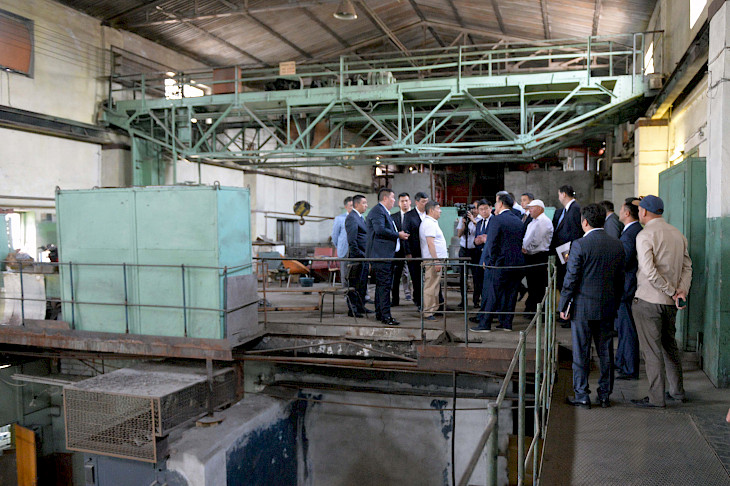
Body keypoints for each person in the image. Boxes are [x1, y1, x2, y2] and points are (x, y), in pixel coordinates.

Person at [560, 203, 625, 409]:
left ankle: (582, 395)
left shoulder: (579, 245)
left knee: (581, 352)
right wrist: (615, 303)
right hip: (607, 307)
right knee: (606, 352)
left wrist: (563, 305)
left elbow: (571, 279)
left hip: (582, 308)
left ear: (585, 222)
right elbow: (620, 280)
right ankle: (604, 396)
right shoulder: (617, 244)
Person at [631, 195, 692, 409]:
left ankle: (656, 398)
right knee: (669, 347)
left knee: (652, 351)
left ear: (645, 212)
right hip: (670, 303)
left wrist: (671, 290)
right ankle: (677, 391)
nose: (638, 212)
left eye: (639, 209)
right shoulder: (678, 234)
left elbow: (649, 272)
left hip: (648, 300)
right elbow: (687, 267)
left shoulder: (644, 235)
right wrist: (680, 291)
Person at [470, 193, 525, 332]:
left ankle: (485, 324)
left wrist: (488, 261)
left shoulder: (497, 220)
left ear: (500, 204)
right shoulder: (518, 220)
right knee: (510, 294)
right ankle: (506, 324)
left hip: (500, 264)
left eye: (495, 203)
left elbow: (492, 243)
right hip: (517, 263)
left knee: (491, 294)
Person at [366, 188, 409, 326]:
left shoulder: (383, 212)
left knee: (382, 286)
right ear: (385, 198)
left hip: (385, 255)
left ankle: (380, 313)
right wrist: (398, 235)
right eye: (392, 198)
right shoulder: (378, 211)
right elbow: (379, 230)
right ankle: (386, 316)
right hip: (381, 255)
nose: (394, 201)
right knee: (384, 287)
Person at [615, 197, 642, 380]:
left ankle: (629, 368)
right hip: (628, 286)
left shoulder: (631, 233)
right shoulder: (632, 230)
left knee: (628, 329)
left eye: (621, 209)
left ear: (626, 213)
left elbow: (623, 261)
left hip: (627, 287)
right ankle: (621, 362)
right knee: (624, 328)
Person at [551, 185, 583, 327]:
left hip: (568, 254)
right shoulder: (565, 210)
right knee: (562, 282)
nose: (558, 197)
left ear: (563, 194)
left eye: (559, 194)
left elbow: (575, 233)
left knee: (568, 283)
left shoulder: (575, 209)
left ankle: (568, 315)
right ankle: (565, 312)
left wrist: (570, 254)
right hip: (561, 253)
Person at [522, 199, 553, 313]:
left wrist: (526, 248)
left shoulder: (543, 221)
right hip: (531, 255)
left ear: (540, 209)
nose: (529, 210)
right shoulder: (534, 221)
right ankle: (532, 308)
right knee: (532, 284)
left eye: (532, 208)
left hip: (538, 256)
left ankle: (539, 311)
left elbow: (537, 240)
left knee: (538, 285)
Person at [420, 201, 448, 320]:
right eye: (438, 208)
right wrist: (436, 260)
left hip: (435, 260)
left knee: (435, 286)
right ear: (431, 210)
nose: (440, 211)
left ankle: (434, 308)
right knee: (430, 286)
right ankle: (428, 311)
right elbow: (430, 243)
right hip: (432, 260)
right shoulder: (429, 223)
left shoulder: (432, 222)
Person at [345, 195, 372, 317]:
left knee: (362, 284)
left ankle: (361, 306)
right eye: (364, 203)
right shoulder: (352, 218)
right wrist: (360, 255)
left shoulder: (360, 217)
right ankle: (353, 309)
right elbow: (352, 241)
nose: (366, 205)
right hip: (357, 258)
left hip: (363, 257)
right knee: (355, 284)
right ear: (356, 204)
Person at [404, 192, 429, 311]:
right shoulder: (409, 216)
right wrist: (408, 252)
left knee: (429, 278)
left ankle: (431, 301)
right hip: (414, 252)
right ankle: (419, 301)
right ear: (417, 202)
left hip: (427, 252)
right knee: (416, 278)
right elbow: (405, 235)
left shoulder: (429, 214)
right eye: (423, 202)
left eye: (427, 202)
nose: (425, 204)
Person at [456, 201, 481, 309]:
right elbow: (459, 234)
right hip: (464, 250)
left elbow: (480, 231)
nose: (473, 210)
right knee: (463, 276)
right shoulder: (464, 218)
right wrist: (464, 223)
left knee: (477, 277)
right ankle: (463, 301)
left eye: (475, 208)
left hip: (475, 251)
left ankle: (476, 300)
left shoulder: (480, 219)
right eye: (472, 208)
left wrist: (473, 221)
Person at [392, 193, 412, 306]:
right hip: (398, 252)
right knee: (396, 277)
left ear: (410, 202)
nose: (404, 203)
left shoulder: (415, 216)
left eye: (406, 201)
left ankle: (417, 300)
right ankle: (395, 300)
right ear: (398, 203)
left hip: (412, 252)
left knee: (414, 275)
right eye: (402, 201)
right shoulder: (393, 217)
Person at [472, 200, 492, 308]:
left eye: (486, 209)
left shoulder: (494, 221)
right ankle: (479, 302)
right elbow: (477, 237)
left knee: (489, 282)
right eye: (481, 209)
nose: (483, 211)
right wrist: (476, 241)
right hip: (479, 255)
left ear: (490, 208)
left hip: (489, 255)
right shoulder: (479, 223)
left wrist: (486, 239)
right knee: (479, 280)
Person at [331, 196, 353, 285]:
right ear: (346, 207)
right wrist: (340, 246)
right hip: (344, 249)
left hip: (355, 248)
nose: (353, 208)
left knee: (355, 271)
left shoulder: (360, 217)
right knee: (344, 272)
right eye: (351, 205)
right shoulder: (340, 219)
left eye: (354, 205)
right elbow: (334, 235)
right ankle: (345, 290)